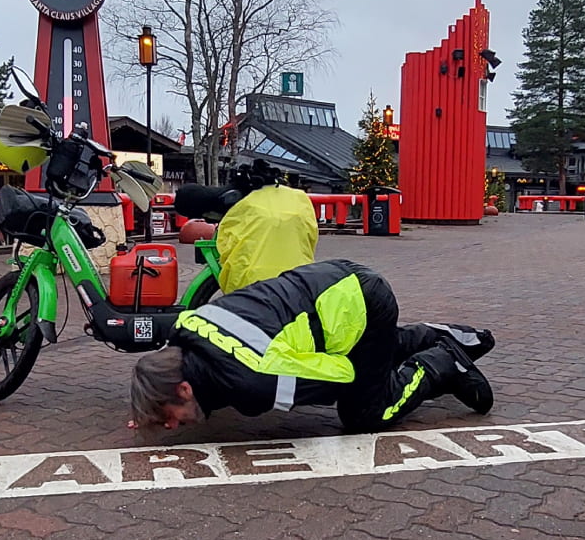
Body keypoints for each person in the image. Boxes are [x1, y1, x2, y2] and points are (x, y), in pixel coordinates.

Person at [128, 259, 495, 433]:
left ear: (184, 388)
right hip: (329, 280)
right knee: (373, 356)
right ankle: (442, 333)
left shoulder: (254, 383)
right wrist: (147, 406)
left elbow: (342, 375)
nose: (171, 427)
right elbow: (190, 374)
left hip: (359, 304)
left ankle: (441, 361)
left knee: (364, 413)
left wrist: (372, 381)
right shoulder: (187, 326)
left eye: (167, 416)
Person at [212, 159, 319, 294]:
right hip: (298, 282)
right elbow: (311, 237)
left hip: (251, 285)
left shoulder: (246, 203)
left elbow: (226, 244)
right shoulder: (299, 198)